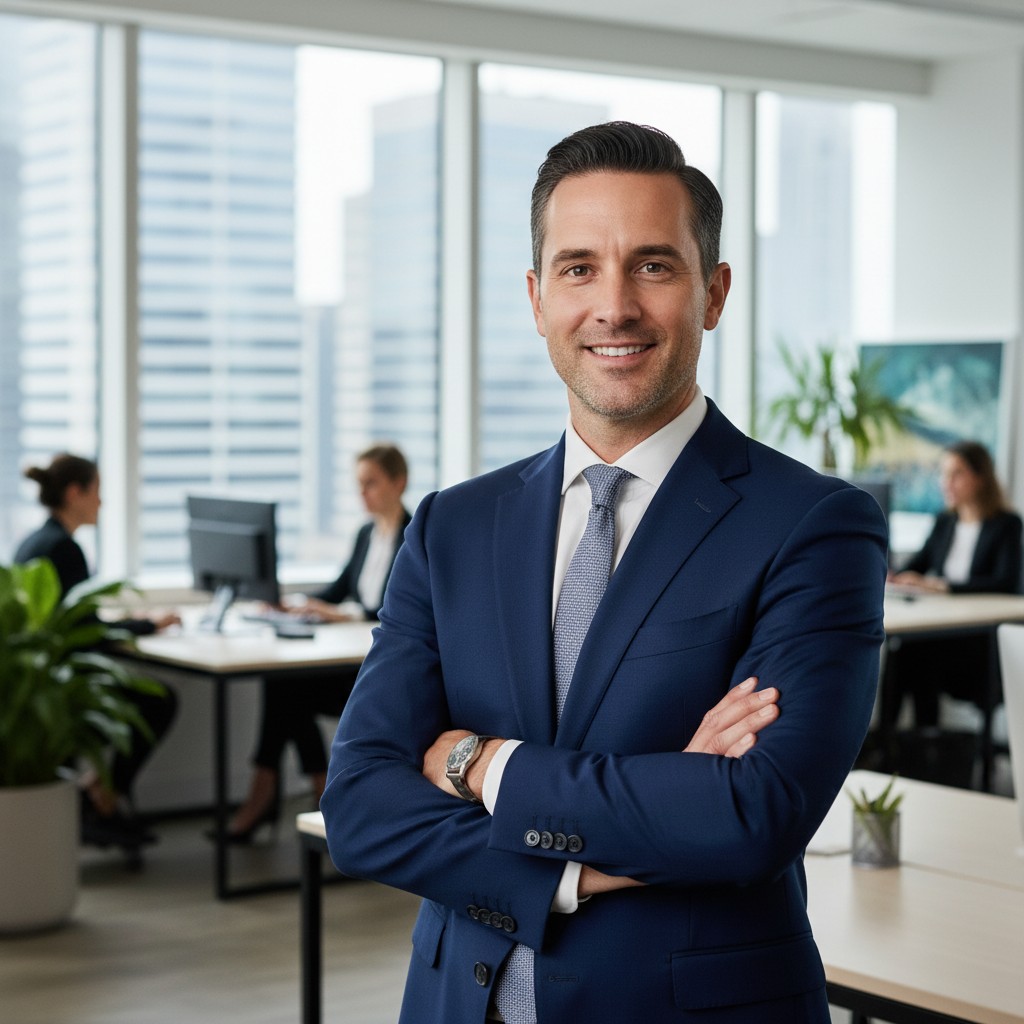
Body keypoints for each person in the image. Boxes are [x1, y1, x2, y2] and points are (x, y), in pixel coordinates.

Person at [322, 122, 886, 1023]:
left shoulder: (814, 525)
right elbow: (357, 805)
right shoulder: (453, 526)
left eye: (654, 266)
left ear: (713, 293)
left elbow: (752, 814)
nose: (614, 305)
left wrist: (480, 763)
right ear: (538, 296)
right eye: (580, 268)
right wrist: (578, 871)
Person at [222, 443, 411, 841]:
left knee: (288, 693)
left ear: (399, 483)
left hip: (374, 676)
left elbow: (391, 609)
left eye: (371, 484)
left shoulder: (413, 535)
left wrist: (341, 613)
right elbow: (342, 586)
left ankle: (273, 793)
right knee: (285, 688)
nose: (363, 494)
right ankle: (319, 791)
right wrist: (297, 604)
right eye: (359, 485)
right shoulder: (367, 533)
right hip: (350, 658)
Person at [14, 453, 181, 850]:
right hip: (64, 687)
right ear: (76, 494)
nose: (102, 503)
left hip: (38, 685)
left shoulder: (35, 542)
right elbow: (85, 632)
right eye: (98, 493)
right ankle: (102, 797)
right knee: (159, 701)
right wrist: (147, 624)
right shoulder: (64, 549)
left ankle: (97, 797)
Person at [884, 440, 1022, 727]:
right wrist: (895, 575)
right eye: (944, 474)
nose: (946, 482)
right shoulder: (945, 522)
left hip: (977, 640)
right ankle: (889, 743)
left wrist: (942, 586)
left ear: (980, 477)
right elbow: (918, 565)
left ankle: (925, 744)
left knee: (917, 656)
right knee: (901, 651)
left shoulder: (1006, 524)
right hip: (939, 632)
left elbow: (1005, 582)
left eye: (956, 473)